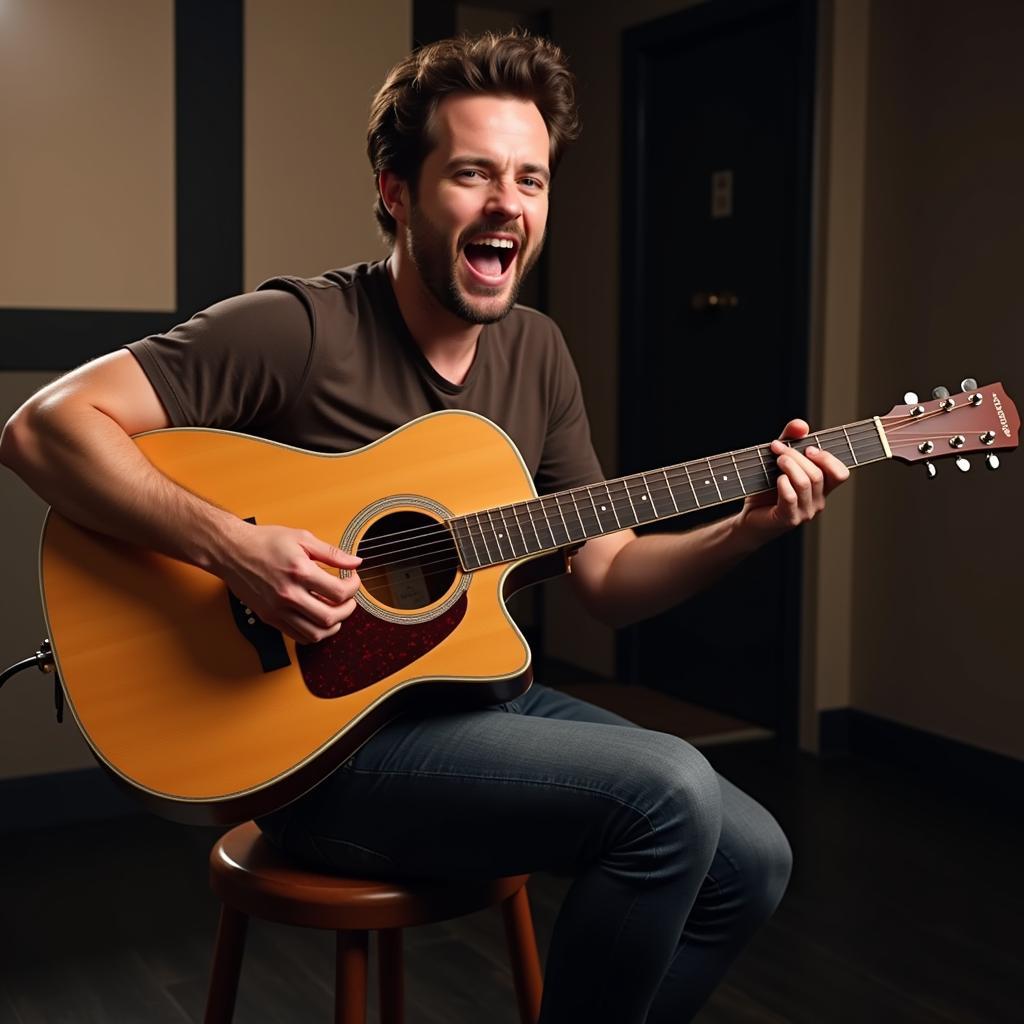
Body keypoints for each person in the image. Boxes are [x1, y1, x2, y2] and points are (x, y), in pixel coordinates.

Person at [1, 32, 849, 1024]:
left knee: (752, 858)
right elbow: (41, 428)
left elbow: (605, 573)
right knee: (668, 789)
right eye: (473, 173)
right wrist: (233, 546)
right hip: (327, 758)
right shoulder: (302, 328)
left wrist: (741, 532)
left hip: (487, 711)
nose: (507, 204)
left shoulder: (536, 350)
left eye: (530, 178)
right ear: (397, 192)